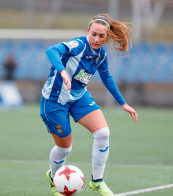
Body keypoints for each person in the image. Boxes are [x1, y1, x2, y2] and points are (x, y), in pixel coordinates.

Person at [40, 14, 138, 196]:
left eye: (101, 36)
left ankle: (97, 181)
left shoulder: (100, 55)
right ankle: (54, 180)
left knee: (103, 133)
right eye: (94, 34)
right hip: (54, 101)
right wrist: (62, 71)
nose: (96, 39)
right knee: (64, 148)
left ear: (107, 37)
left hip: (78, 97)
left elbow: (107, 78)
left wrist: (123, 104)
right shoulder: (78, 45)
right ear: (88, 31)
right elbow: (51, 51)